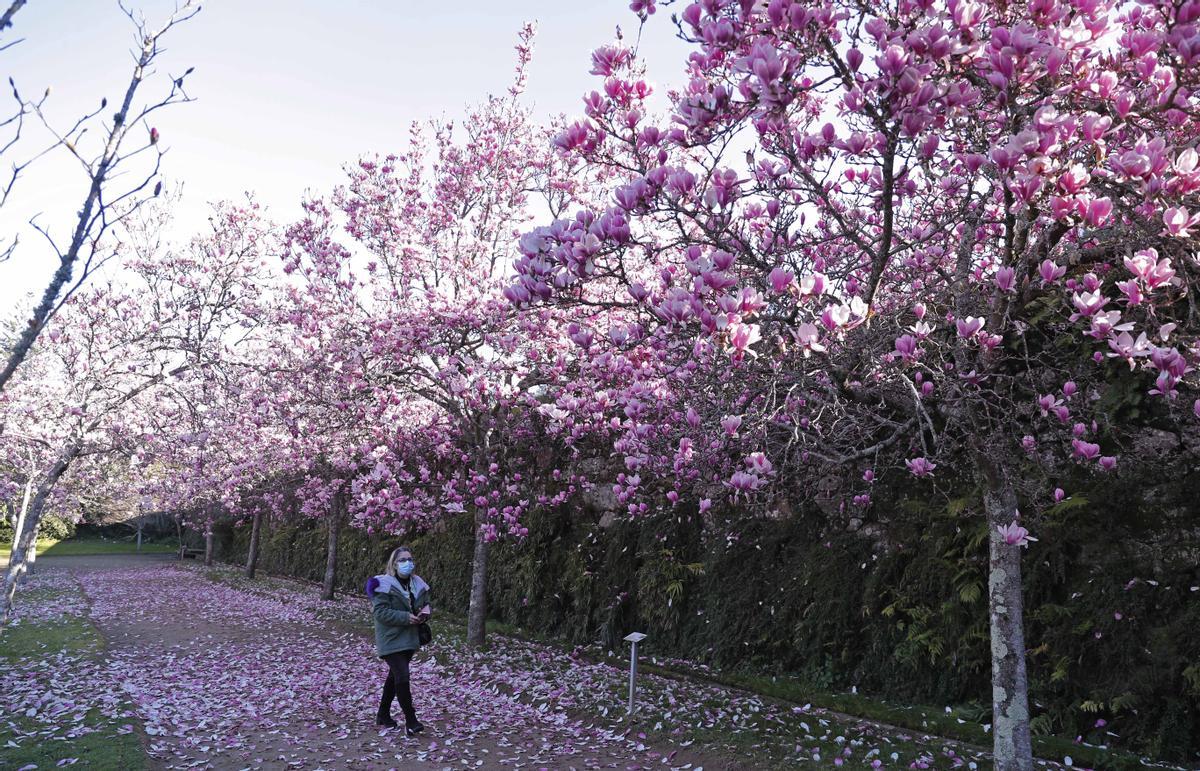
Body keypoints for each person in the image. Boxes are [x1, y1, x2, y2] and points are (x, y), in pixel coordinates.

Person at [366, 545, 432, 734]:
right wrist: (405, 617)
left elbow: (426, 604)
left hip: (410, 638)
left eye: (410, 559)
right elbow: (380, 612)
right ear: (394, 564)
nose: (408, 563)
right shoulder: (383, 584)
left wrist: (424, 614)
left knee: (395, 676)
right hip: (391, 638)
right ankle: (411, 720)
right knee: (402, 676)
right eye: (403, 560)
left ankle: (383, 714)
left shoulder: (417, 584)